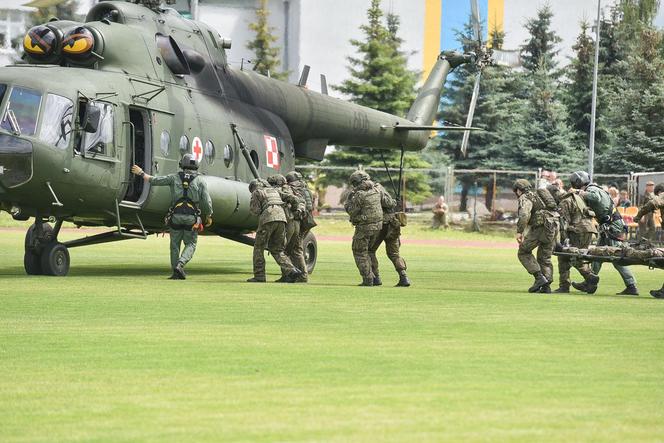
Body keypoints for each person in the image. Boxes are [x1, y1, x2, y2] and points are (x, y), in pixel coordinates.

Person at [131, 154, 213, 279]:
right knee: (191, 244)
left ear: (182, 164)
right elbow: (206, 201)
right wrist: (208, 215)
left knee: (174, 245)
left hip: (175, 216)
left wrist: (141, 173)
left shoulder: (174, 178)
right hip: (191, 218)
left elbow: (154, 180)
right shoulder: (200, 181)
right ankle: (180, 265)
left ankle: (175, 272)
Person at [570, 171, 639, 295]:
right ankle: (590, 281)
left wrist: (580, 193)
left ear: (578, 182)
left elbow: (595, 198)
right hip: (607, 226)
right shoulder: (593, 188)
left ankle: (631, 286)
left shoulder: (592, 189)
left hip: (613, 226)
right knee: (598, 255)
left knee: (616, 257)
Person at [247, 179, 302, 283]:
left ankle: (259, 276)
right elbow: (294, 198)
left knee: (259, 248)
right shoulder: (274, 191)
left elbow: (255, 211)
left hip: (268, 219)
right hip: (282, 219)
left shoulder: (257, 192)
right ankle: (292, 271)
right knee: (277, 250)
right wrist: (295, 210)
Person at [513, 179, 559, 293]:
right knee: (545, 257)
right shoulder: (538, 194)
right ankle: (546, 286)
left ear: (518, 190)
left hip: (541, 227)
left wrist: (520, 231)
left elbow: (524, 214)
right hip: (554, 226)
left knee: (523, 251)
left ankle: (539, 278)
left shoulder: (525, 197)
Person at [553, 183, 600, 293]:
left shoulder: (565, 202)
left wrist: (563, 240)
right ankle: (589, 283)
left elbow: (564, 223)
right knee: (580, 255)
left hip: (578, 231)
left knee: (565, 255)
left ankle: (568, 284)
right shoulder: (577, 197)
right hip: (589, 229)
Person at [344, 170, 383, 286]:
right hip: (378, 226)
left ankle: (368, 279)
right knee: (369, 252)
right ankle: (376, 278)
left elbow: (351, 211)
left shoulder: (359, 195)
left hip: (364, 227)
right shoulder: (376, 190)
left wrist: (348, 199)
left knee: (359, 252)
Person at [369, 182, 411, 287]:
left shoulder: (373, 192)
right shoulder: (385, 193)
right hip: (393, 224)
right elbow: (391, 204)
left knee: (370, 250)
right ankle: (403, 276)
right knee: (394, 254)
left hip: (381, 225)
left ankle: (376, 277)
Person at [267, 174, 306, 283]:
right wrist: (297, 210)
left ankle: (290, 273)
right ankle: (300, 276)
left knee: (279, 249)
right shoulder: (295, 190)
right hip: (296, 222)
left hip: (287, 222)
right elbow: (301, 202)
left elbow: (293, 200)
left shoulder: (279, 191)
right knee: (292, 251)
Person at [285, 171, 317, 282]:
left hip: (298, 221)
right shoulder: (307, 190)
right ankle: (296, 275)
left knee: (295, 249)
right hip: (306, 221)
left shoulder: (293, 189)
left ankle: (301, 275)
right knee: (296, 248)